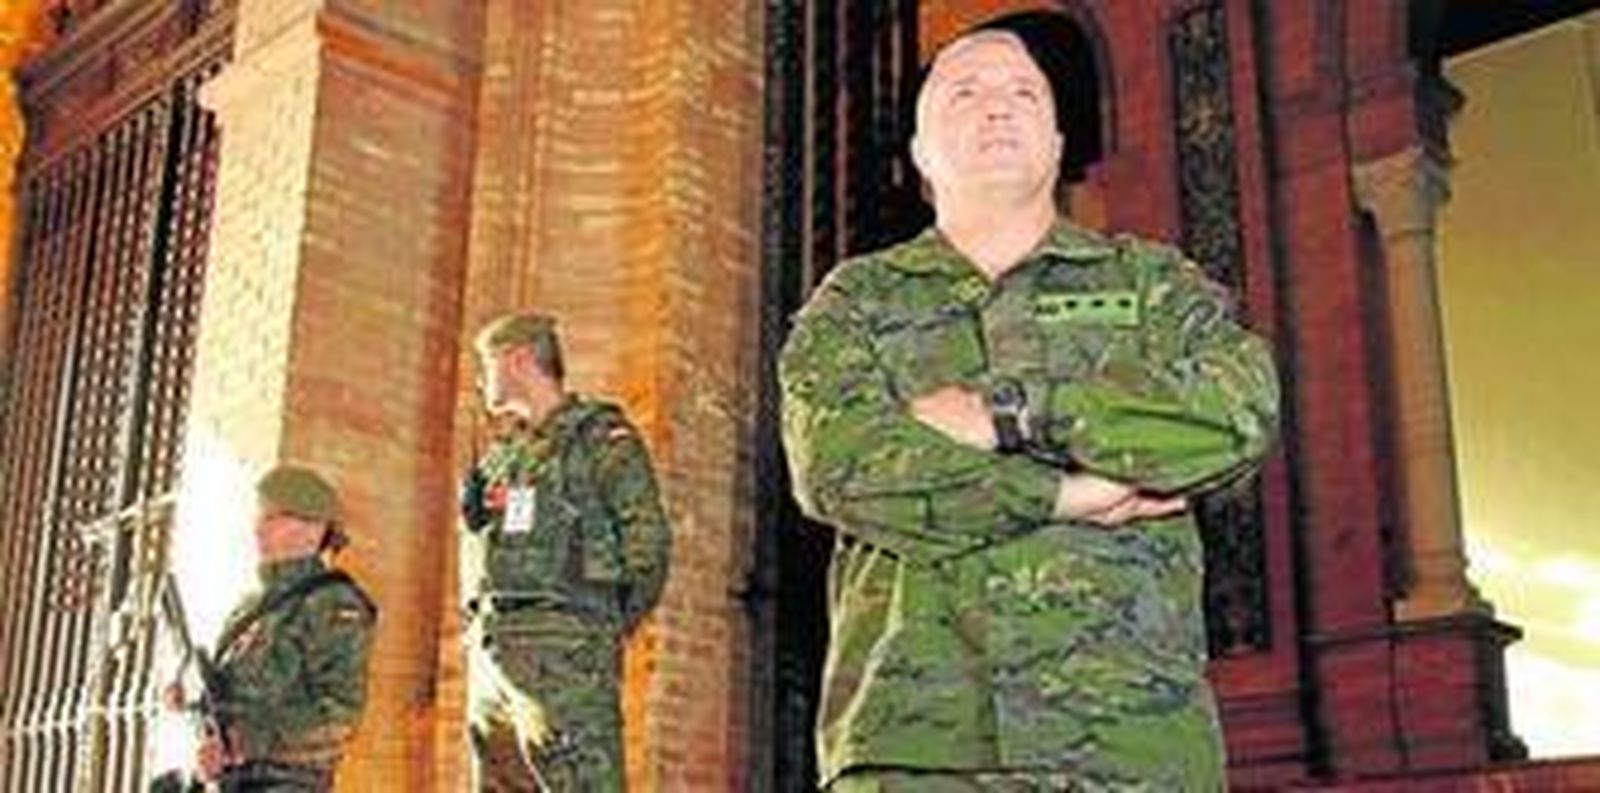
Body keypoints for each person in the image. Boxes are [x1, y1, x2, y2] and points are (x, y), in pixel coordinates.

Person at [779, 27, 1280, 791]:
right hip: (916, 749)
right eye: (965, 92)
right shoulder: (855, 303)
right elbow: (838, 466)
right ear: (919, 152)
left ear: (1056, 143)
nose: (998, 107)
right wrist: (1068, 492)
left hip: (1130, 741)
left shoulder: (1150, 283)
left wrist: (1011, 411)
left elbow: (1238, 407)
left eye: (1024, 92)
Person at [459, 312, 673, 792]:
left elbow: (648, 545)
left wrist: (598, 627)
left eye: (486, 366)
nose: (480, 381)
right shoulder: (503, 457)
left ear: (518, 360)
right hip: (493, 655)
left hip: (566, 653)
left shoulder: (598, 438)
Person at [160, 464, 377, 791]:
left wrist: (245, 741)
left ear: (313, 529)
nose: (258, 528)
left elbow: (339, 720)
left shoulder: (334, 604)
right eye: (258, 516)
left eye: (272, 517)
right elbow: (229, 697)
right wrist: (190, 699)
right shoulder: (248, 608)